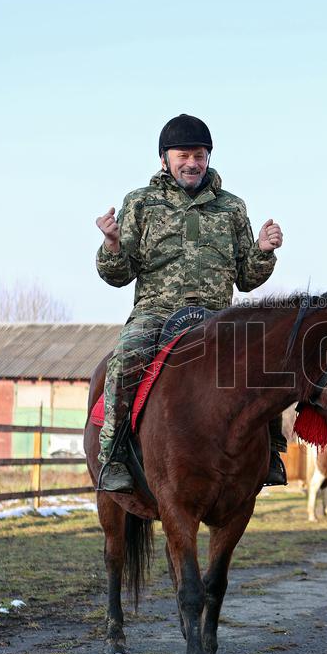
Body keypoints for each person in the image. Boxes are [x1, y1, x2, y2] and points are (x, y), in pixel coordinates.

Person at [95, 113, 285, 492]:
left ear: (208, 158)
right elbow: (118, 275)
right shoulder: (140, 204)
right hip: (157, 312)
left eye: (199, 155)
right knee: (125, 357)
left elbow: (246, 278)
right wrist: (112, 244)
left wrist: (263, 251)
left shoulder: (232, 208)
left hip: (217, 317)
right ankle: (113, 455)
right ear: (164, 159)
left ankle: (272, 453)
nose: (192, 163)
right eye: (183, 155)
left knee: (268, 357)